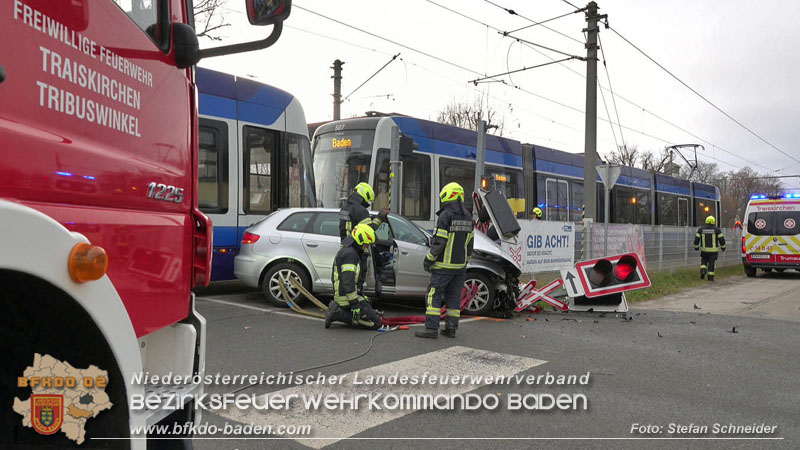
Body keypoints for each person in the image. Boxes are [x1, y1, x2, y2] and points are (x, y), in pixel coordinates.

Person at [415, 182, 474, 339]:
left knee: (433, 295)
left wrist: (429, 259)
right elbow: (470, 244)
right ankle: (451, 329)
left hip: (443, 267)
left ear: (448, 195)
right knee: (454, 297)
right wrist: (465, 262)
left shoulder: (445, 216)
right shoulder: (469, 217)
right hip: (460, 268)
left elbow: (439, 242)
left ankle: (431, 328)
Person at [325, 224, 382, 330]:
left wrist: (360, 296)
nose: (367, 247)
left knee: (371, 311)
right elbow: (348, 282)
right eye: (366, 244)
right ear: (360, 240)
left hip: (347, 295)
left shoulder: (351, 251)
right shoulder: (350, 255)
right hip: (345, 297)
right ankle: (337, 314)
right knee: (376, 323)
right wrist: (355, 305)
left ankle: (338, 309)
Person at [339, 182, 389, 294]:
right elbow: (369, 229)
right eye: (367, 200)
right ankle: (357, 297)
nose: (367, 203)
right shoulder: (361, 211)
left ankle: (348, 297)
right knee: (358, 276)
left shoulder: (345, 208)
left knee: (346, 275)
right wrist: (380, 217)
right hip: (358, 247)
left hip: (345, 245)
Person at [694, 215, 726, 281]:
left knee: (704, 262)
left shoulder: (701, 229)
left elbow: (696, 239)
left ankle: (703, 271)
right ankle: (710, 278)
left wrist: (696, 247)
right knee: (711, 264)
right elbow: (722, 240)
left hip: (704, 251)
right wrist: (723, 248)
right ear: (714, 222)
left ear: (706, 221)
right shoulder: (717, 230)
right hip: (713, 252)